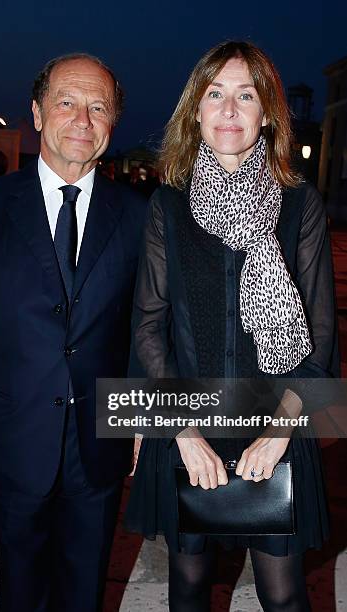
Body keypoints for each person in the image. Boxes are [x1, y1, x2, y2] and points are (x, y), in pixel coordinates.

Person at [125, 41, 338, 611]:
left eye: (245, 95)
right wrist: (184, 434)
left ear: (267, 114)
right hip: (188, 422)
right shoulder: (168, 206)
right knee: (190, 586)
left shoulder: (299, 205)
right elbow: (148, 325)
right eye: (214, 94)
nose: (228, 109)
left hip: (277, 421)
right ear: (194, 110)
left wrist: (280, 430)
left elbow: (319, 337)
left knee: (284, 592)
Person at [0, 53, 147, 612]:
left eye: (98, 107)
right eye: (67, 103)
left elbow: (148, 323)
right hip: (12, 436)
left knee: (84, 593)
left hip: (100, 445)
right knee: (20, 592)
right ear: (37, 112)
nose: (82, 119)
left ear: (113, 122)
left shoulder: (139, 215)